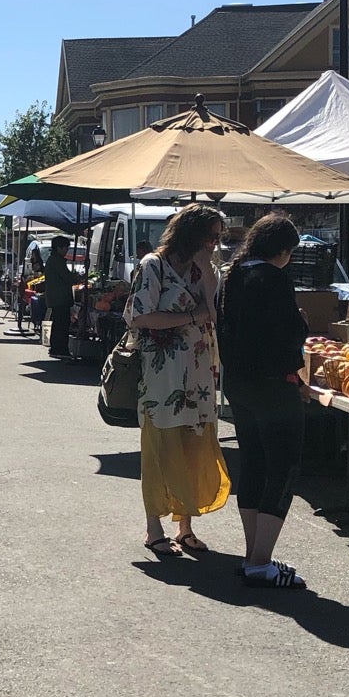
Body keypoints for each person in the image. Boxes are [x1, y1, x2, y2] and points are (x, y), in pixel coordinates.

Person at [125, 205, 230, 556]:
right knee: (160, 448)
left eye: (218, 237)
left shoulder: (207, 271)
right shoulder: (152, 266)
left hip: (200, 373)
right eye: (210, 236)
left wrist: (208, 277)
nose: (215, 244)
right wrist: (190, 316)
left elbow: (215, 316)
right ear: (190, 234)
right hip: (163, 375)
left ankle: (185, 527)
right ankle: (154, 528)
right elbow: (140, 316)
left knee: (193, 447)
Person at [218, 212, 311, 589]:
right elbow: (287, 334)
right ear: (283, 250)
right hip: (273, 384)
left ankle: (253, 553)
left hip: (238, 383)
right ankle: (262, 561)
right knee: (284, 467)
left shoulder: (232, 274)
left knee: (253, 463)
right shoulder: (272, 278)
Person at [43, 236, 75, 357]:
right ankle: (59, 349)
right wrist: (77, 277)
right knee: (61, 324)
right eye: (65, 248)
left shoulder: (55, 260)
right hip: (59, 298)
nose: (67, 250)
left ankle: (57, 348)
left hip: (57, 297)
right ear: (59, 248)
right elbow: (68, 278)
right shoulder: (56, 261)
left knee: (59, 323)